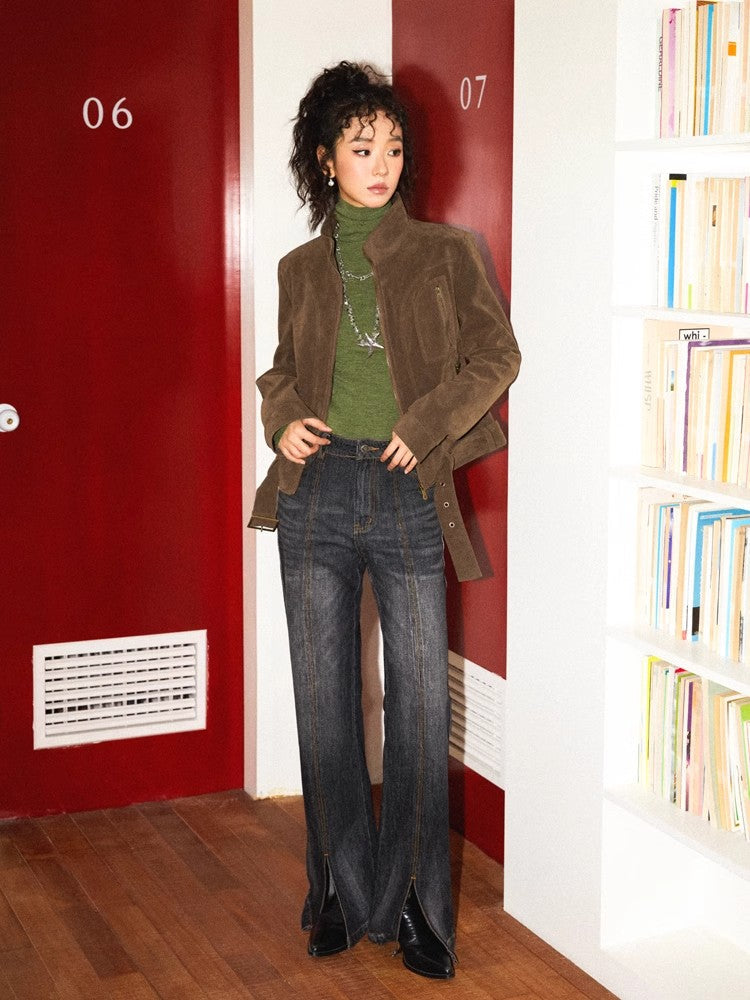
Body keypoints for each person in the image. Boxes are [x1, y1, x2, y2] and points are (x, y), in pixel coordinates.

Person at [249, 61, 520, 980]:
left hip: (407, 491)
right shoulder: (298, 269)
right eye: (362, 148)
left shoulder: (446, 253)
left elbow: (496, 355)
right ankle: (336, 889)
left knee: (418, 705)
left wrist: (426, 424)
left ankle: (414, 903)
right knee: (324, 705)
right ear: (326, 159)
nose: (383, 163)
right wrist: (284, 417)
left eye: (394, 147)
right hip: (316, 492)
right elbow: (282, 370)